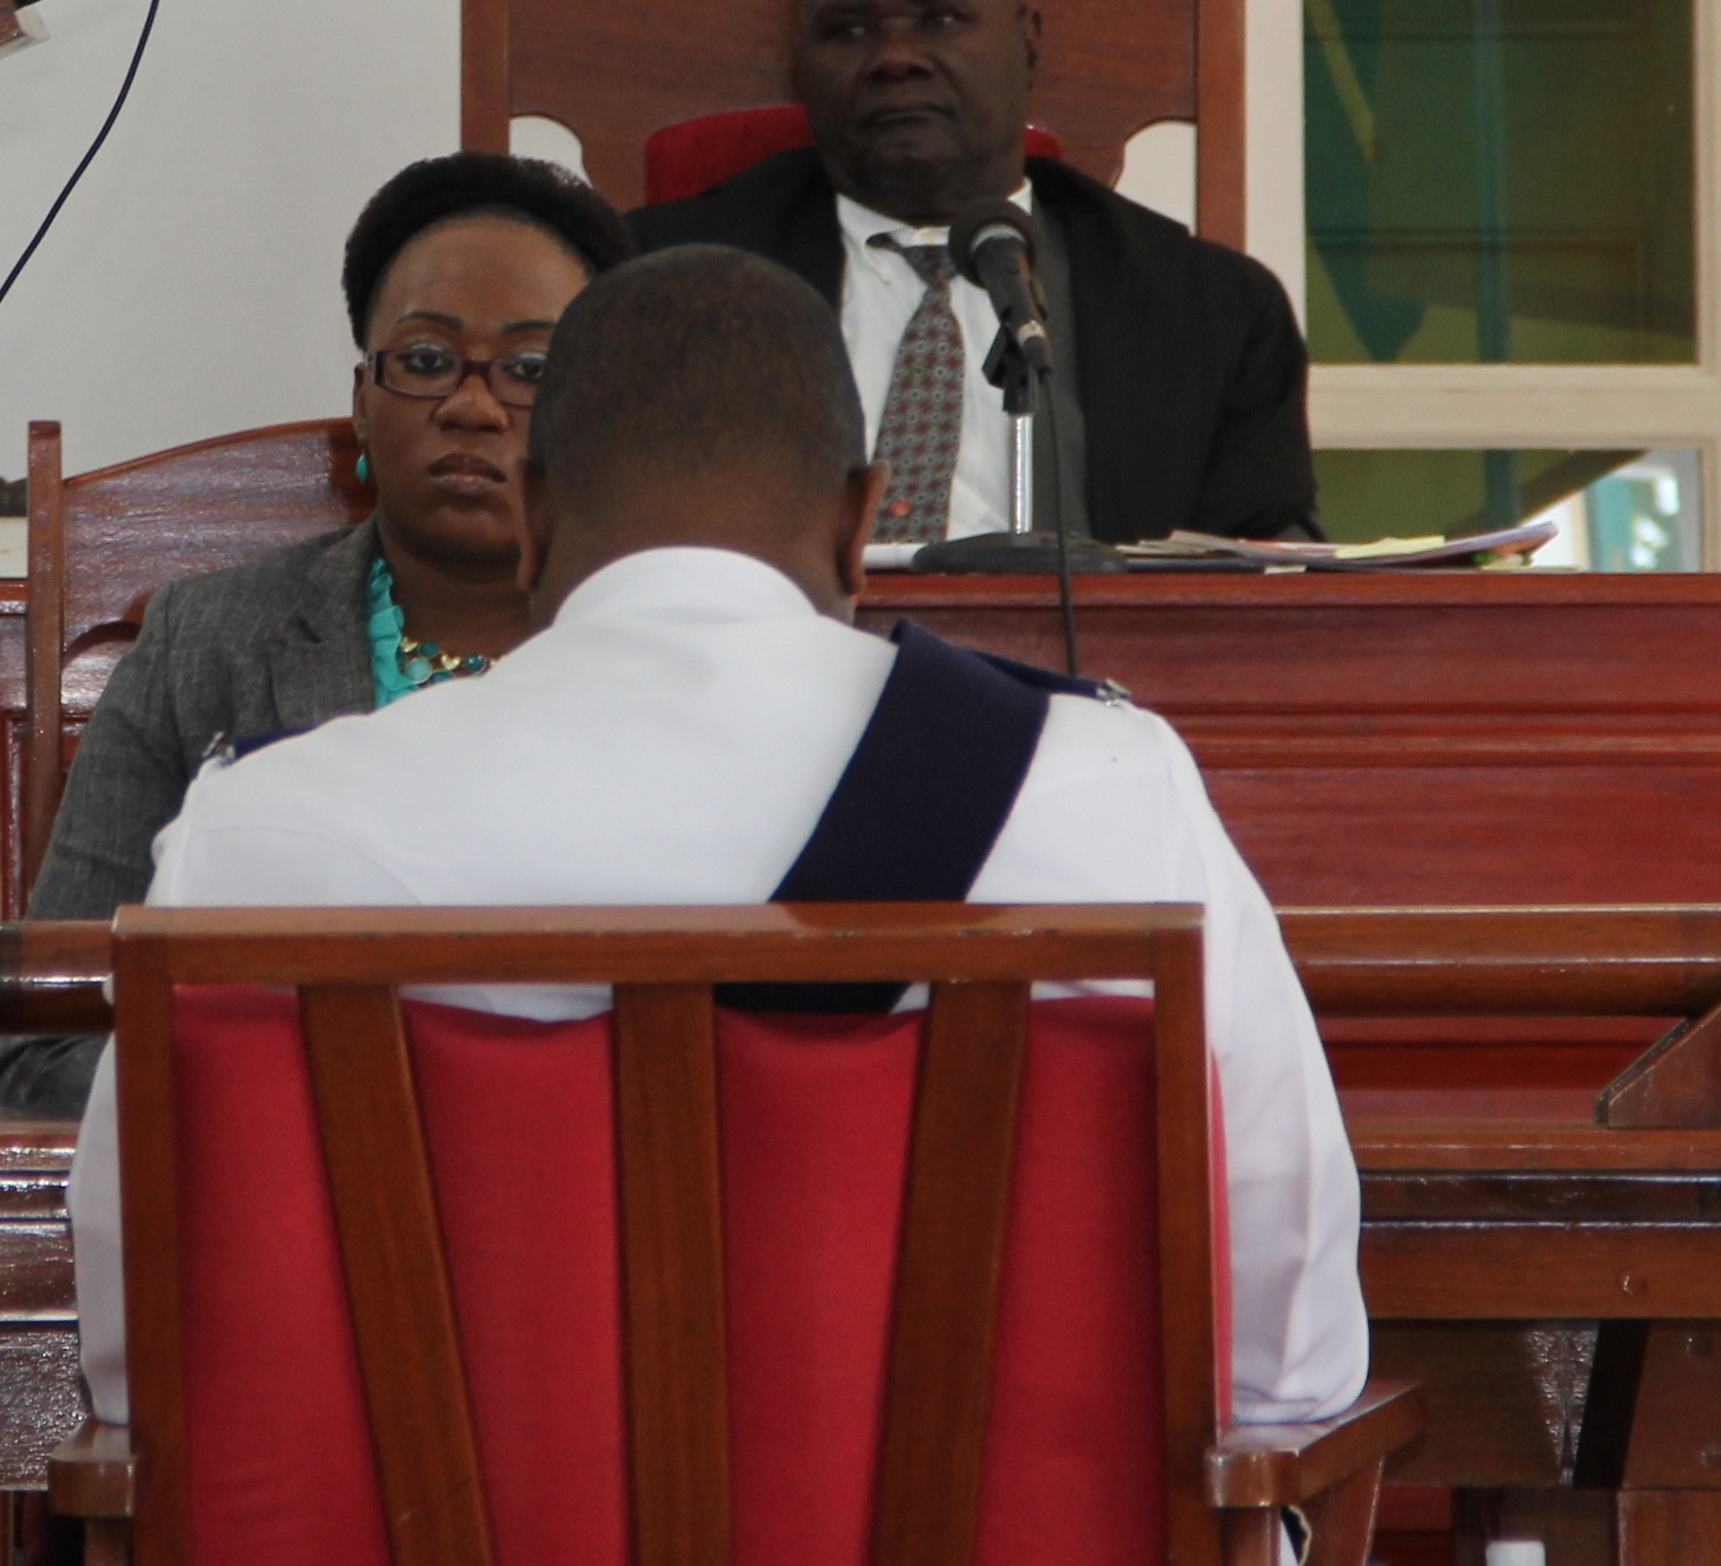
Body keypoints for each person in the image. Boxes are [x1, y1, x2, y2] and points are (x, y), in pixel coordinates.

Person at [68, 243, 1362, 1435]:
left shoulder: (266, 835)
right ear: (860, 521)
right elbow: (1284, 1358)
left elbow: (146, 1361)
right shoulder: (1106, 793)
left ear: (531, 514)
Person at [0, 149, 631, 1120]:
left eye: (531, 370)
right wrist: (313, 1114)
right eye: (424, 361)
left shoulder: (654, 659)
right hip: (277, 1176)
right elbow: (44, 1042)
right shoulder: (203, 645)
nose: (471, 406)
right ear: (362, 404)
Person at [636, 0, 1314, 545]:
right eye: (848, 29)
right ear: (800, 61)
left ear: (1027, 41)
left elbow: (1270, 580)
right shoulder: (651, 287)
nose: (895, 58)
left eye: (940, 20)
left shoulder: (1212, 313)